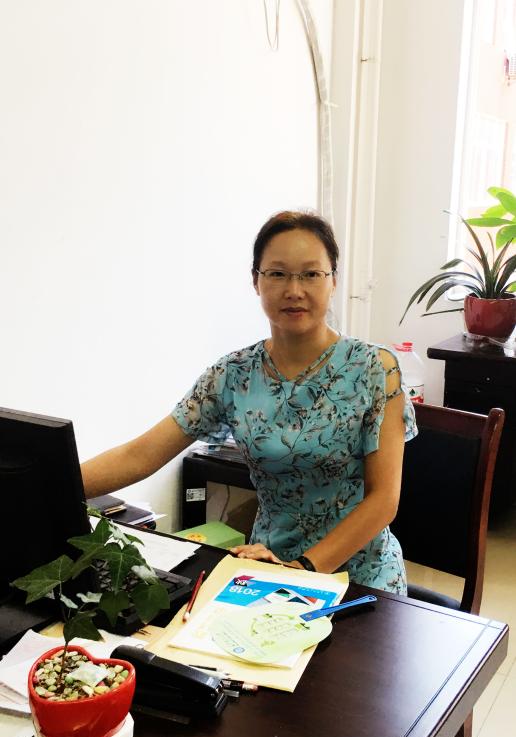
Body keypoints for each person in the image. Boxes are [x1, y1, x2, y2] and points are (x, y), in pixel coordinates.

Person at [82, 211, 416, 593]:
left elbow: (383, 499)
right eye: (277, 273)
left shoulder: (375, 368)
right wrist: (52, 484)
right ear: (256, 281)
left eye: (311, 274)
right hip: (264, 564)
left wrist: (303, 569)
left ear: (333, 280)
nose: (294, 290)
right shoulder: (233, 374)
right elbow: (139, 455)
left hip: (360, 579)